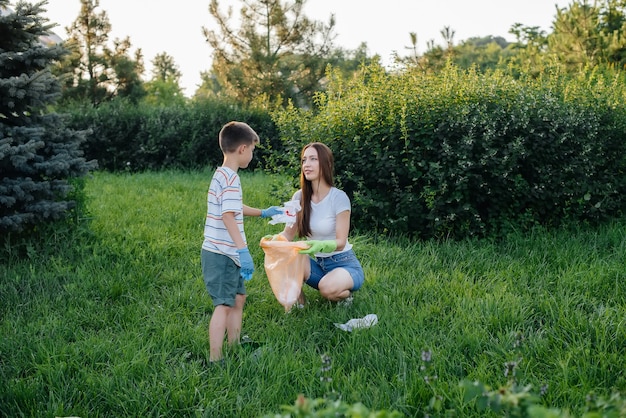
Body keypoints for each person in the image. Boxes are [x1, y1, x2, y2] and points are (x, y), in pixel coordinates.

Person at [201, 121, 282, 363]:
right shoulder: (231, 179)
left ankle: (234, 345)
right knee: (224, 304)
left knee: (238, 298)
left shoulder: (222, 175)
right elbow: (227, 216)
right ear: (243, 149)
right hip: (222, 253)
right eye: (253, 150)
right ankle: (216, 359)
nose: (253, 155)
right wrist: (243, 250)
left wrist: (263, 212)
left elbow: (233, 207)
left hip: (226, 253)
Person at [278, 142, 364, 305]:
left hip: (344, 264)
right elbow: (288, 234)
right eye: (304, 160)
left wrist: (319, 245)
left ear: (326, 164)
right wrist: (275, 240)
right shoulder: (299, 197)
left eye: (313, 159)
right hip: (320, 264)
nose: (307, 165)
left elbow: (341, 242)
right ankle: (299, 304)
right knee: (289, 255)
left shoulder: (339, 198)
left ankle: (345, 295)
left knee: (327, 289)